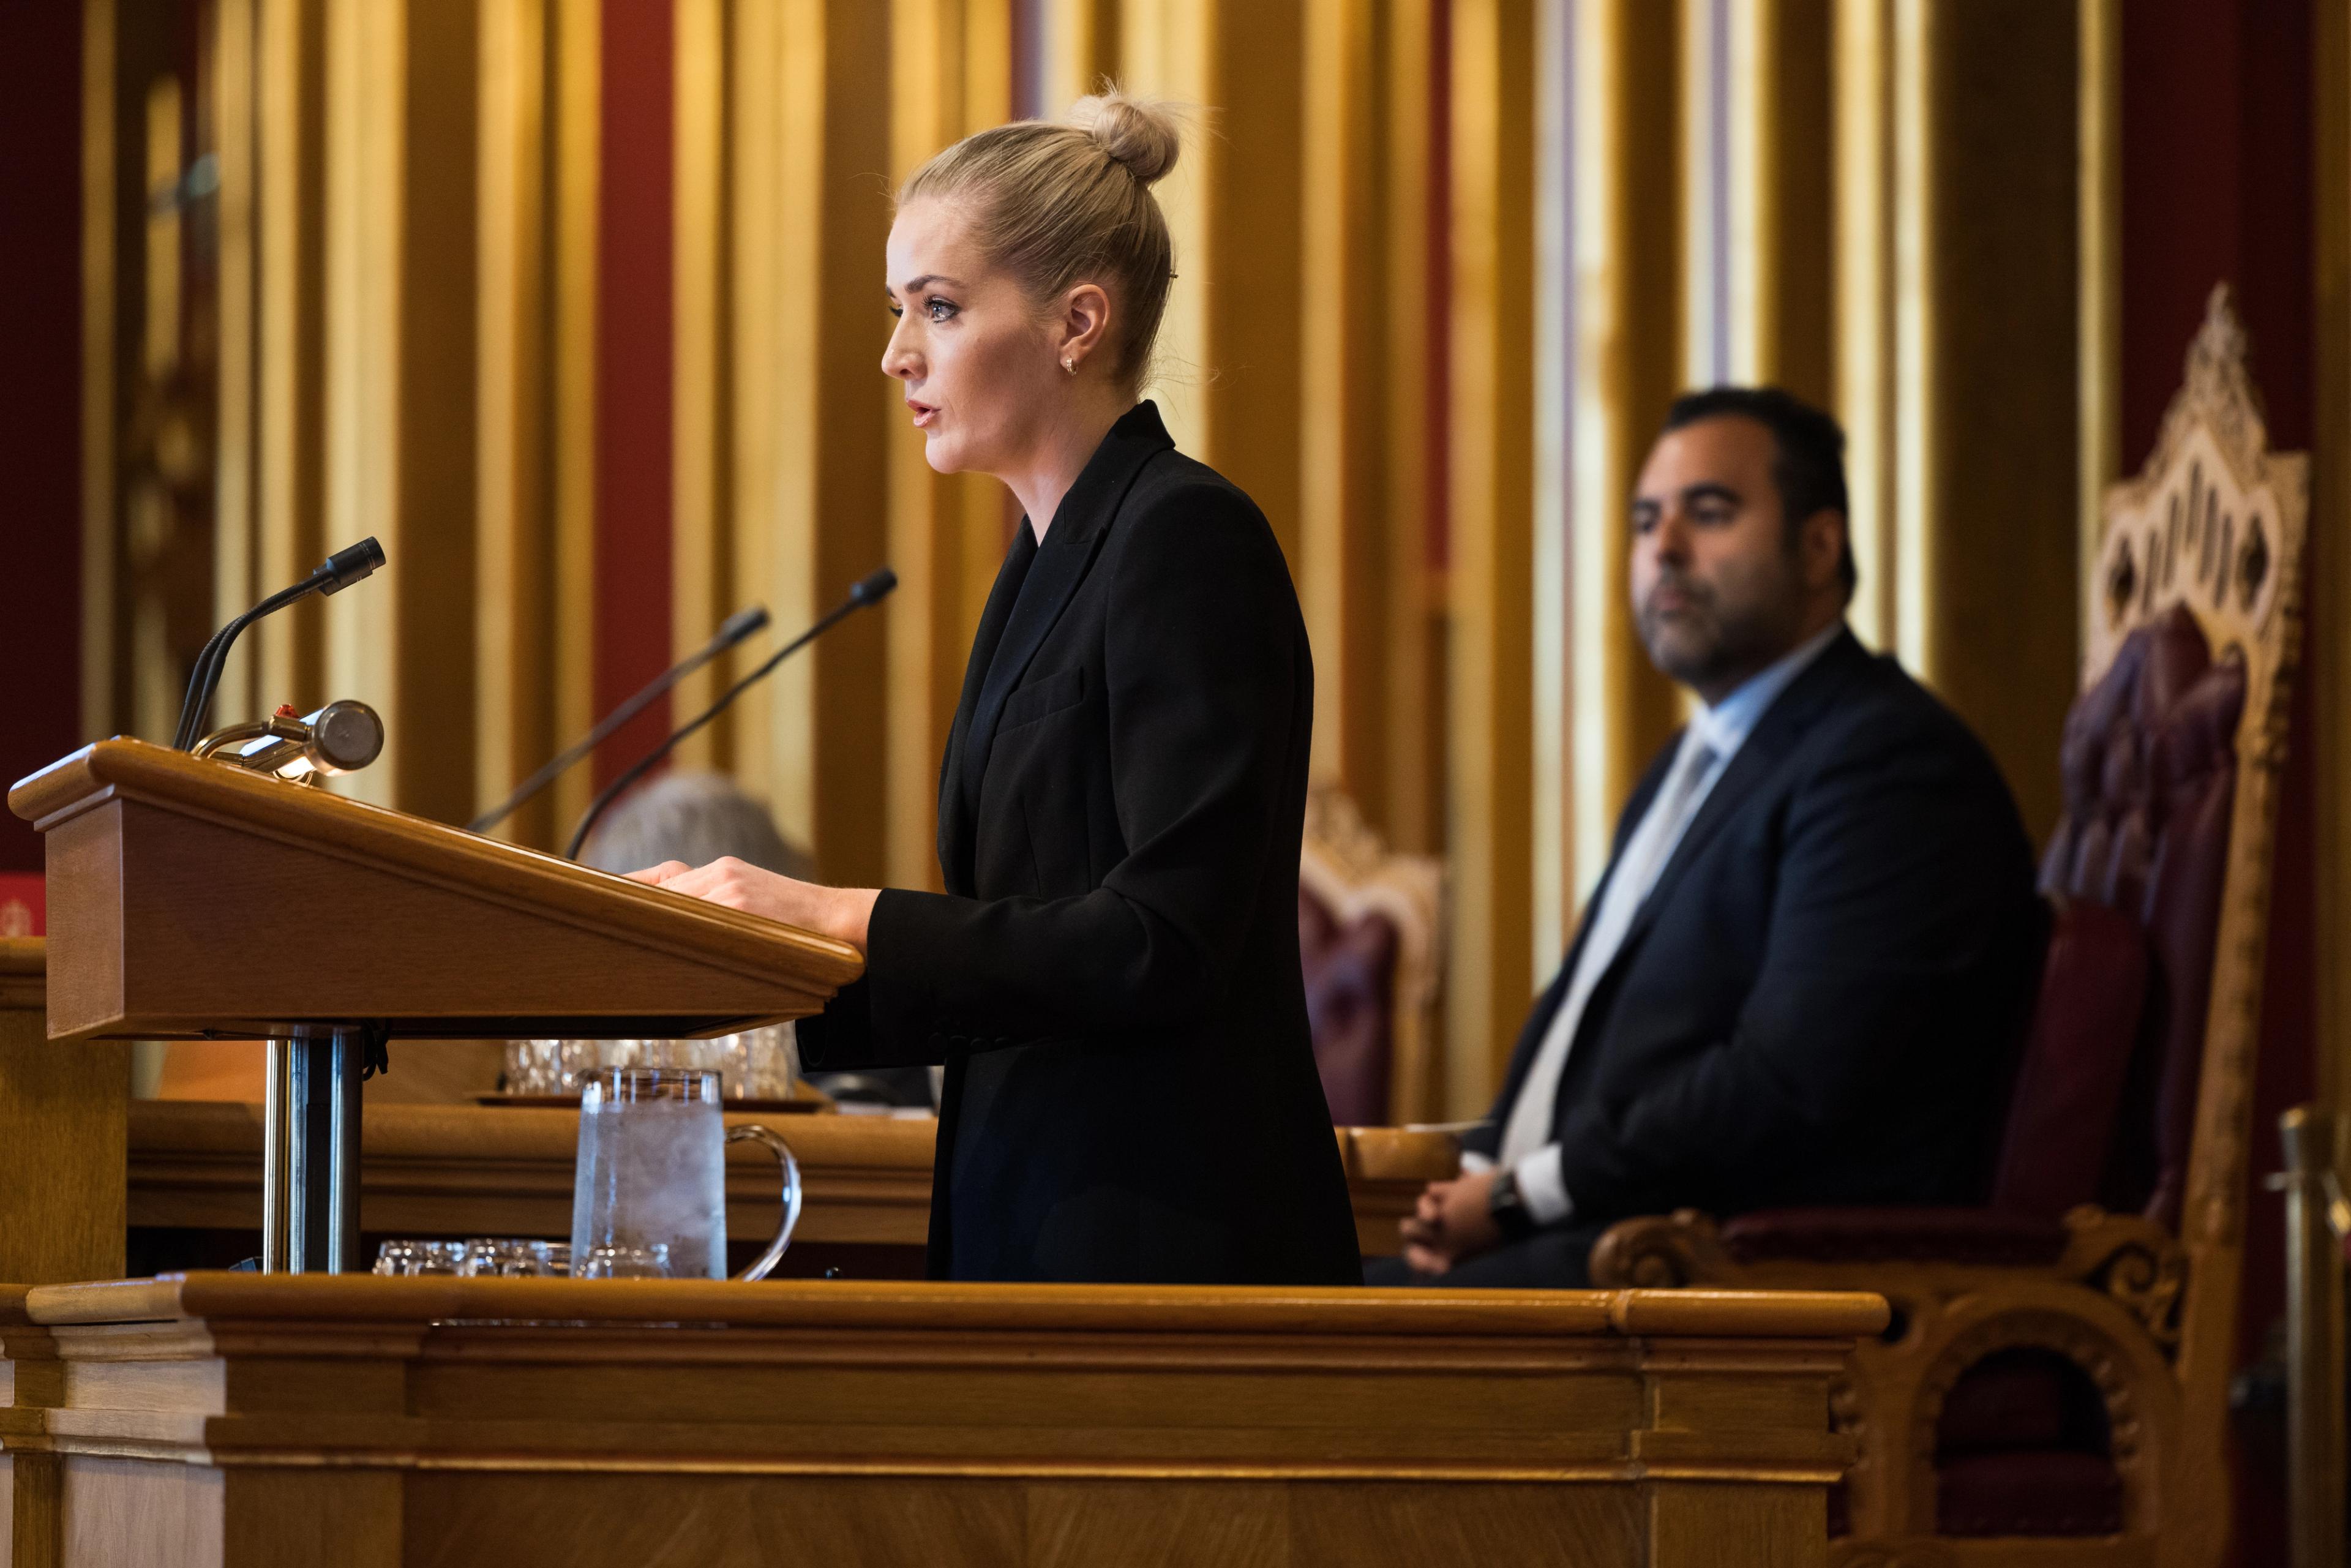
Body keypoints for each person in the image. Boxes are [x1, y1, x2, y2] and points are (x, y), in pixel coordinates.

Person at [630, 91, 1361, 1286]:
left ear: (1079, 321)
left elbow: (1165, 942)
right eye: (898, 309)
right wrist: (754, 983)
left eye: (942, 308)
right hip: (1032, 1210)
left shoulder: (1186, 538)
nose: (897, 354)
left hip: (1165, 1236)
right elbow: (1018, 947)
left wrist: (841, 917)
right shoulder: (1039, 564)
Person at [1374, 387, 2043, 1288]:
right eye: (1646, 520)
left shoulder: (1886, 763)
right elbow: (1597, 1062)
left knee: (1254, 1347)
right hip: (1586, 1241)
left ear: (1819, 546)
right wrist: (1468, 1180)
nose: (1665, 549)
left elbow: (1782, 1085)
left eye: (1711, 513)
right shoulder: (1695, 760)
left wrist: (1516, 1197)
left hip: (1726, 1285)